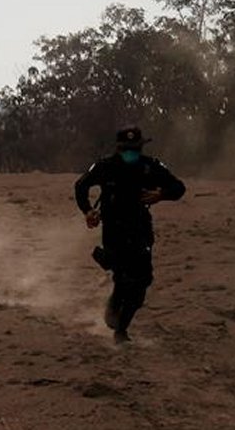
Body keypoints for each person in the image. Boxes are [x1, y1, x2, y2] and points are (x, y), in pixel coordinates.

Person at [74, 126, 185, 345]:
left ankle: (121, 327)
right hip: (114, 231)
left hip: (140, 230)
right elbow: (81, 186)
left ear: (141, 147)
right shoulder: (105, 166)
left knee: (142, 281)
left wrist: (161, 195)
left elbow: (179, 188)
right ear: (119, 148)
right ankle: (116, 318)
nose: (131, 153)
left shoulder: (149, 166)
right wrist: (88, 211)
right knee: (124, 277)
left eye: (135, 148)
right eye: (127, 149)